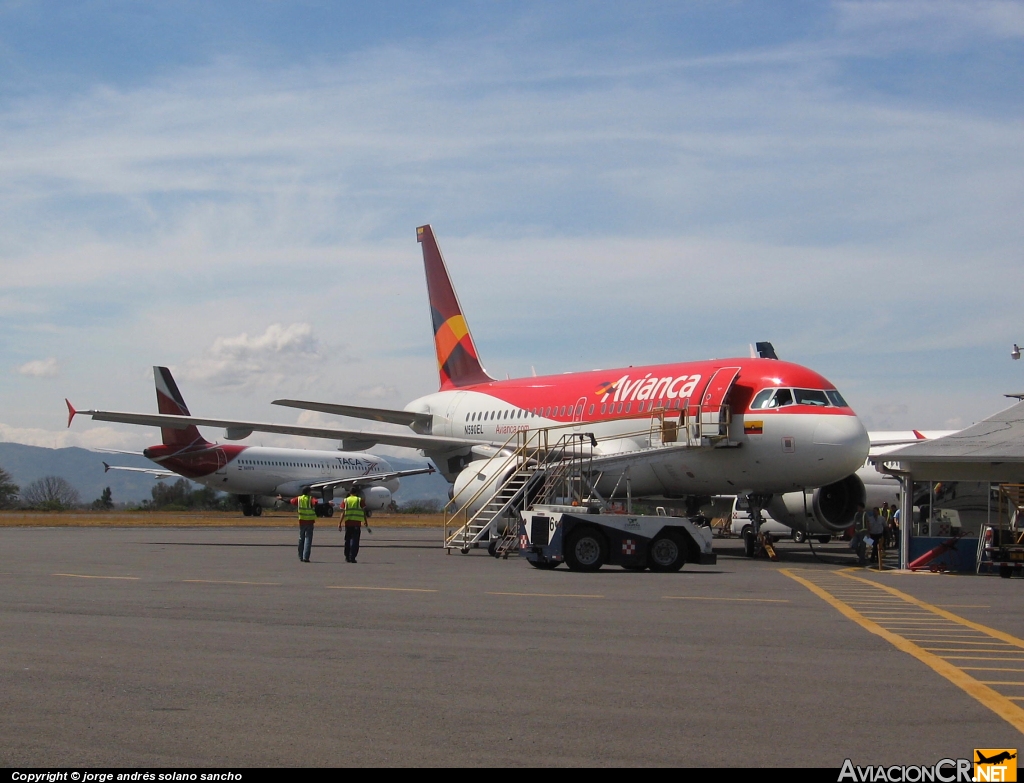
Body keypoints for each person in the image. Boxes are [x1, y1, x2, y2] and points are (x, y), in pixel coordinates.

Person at [281, 486, 318, 563]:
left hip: (302, 520)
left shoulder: (299, 498)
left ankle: (300, 556)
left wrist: (282, 499)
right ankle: (306, 557)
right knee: (308, 539)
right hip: (310, 521)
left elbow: (289, 501)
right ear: (308, 492)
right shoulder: (311, 498)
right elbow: (316, 503)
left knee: (301, 538)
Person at [340, 489, 368, 563]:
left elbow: (343, 512)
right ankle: (352, 557)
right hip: (356, 524)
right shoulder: (359, 500)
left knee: (347, 540)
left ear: (349, 493)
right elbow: (364, 511)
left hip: (348, 523)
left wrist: (339, 523)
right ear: (356, 493)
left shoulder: (345, 500)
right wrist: (365, 521)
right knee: (355, 541)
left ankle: (347, 556)